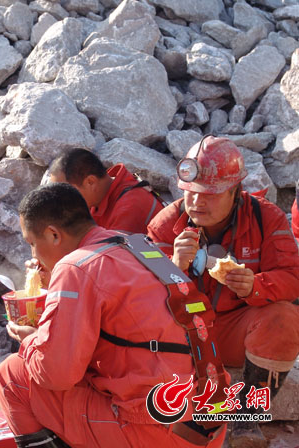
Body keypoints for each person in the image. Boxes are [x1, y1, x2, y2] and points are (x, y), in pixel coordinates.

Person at [0, 183, 227, 448]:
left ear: (53, 235)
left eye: (32, 244)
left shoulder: (75, 267)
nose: (34, 256)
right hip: (209, 421)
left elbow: (56, 375)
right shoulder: (138, 245)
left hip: (159, 433)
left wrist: (31, 340)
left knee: (12, 374)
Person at [147, 136, 299, 447]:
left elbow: (293, 277)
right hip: (184, 333)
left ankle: (246, 417)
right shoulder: (165, 225)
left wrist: (257, 286)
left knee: (284, 317)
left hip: (233, 330)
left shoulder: (265, 217)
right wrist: (174, 269)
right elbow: (140, 299)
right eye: (190, 192)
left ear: (235, 191)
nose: (196, 202)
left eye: (209, 194)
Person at [49, 148, 165, 233]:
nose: (61, 202)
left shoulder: (130, 206)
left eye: (64, 193)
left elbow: (112, 257)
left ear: (90, 182)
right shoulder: (96, 199)